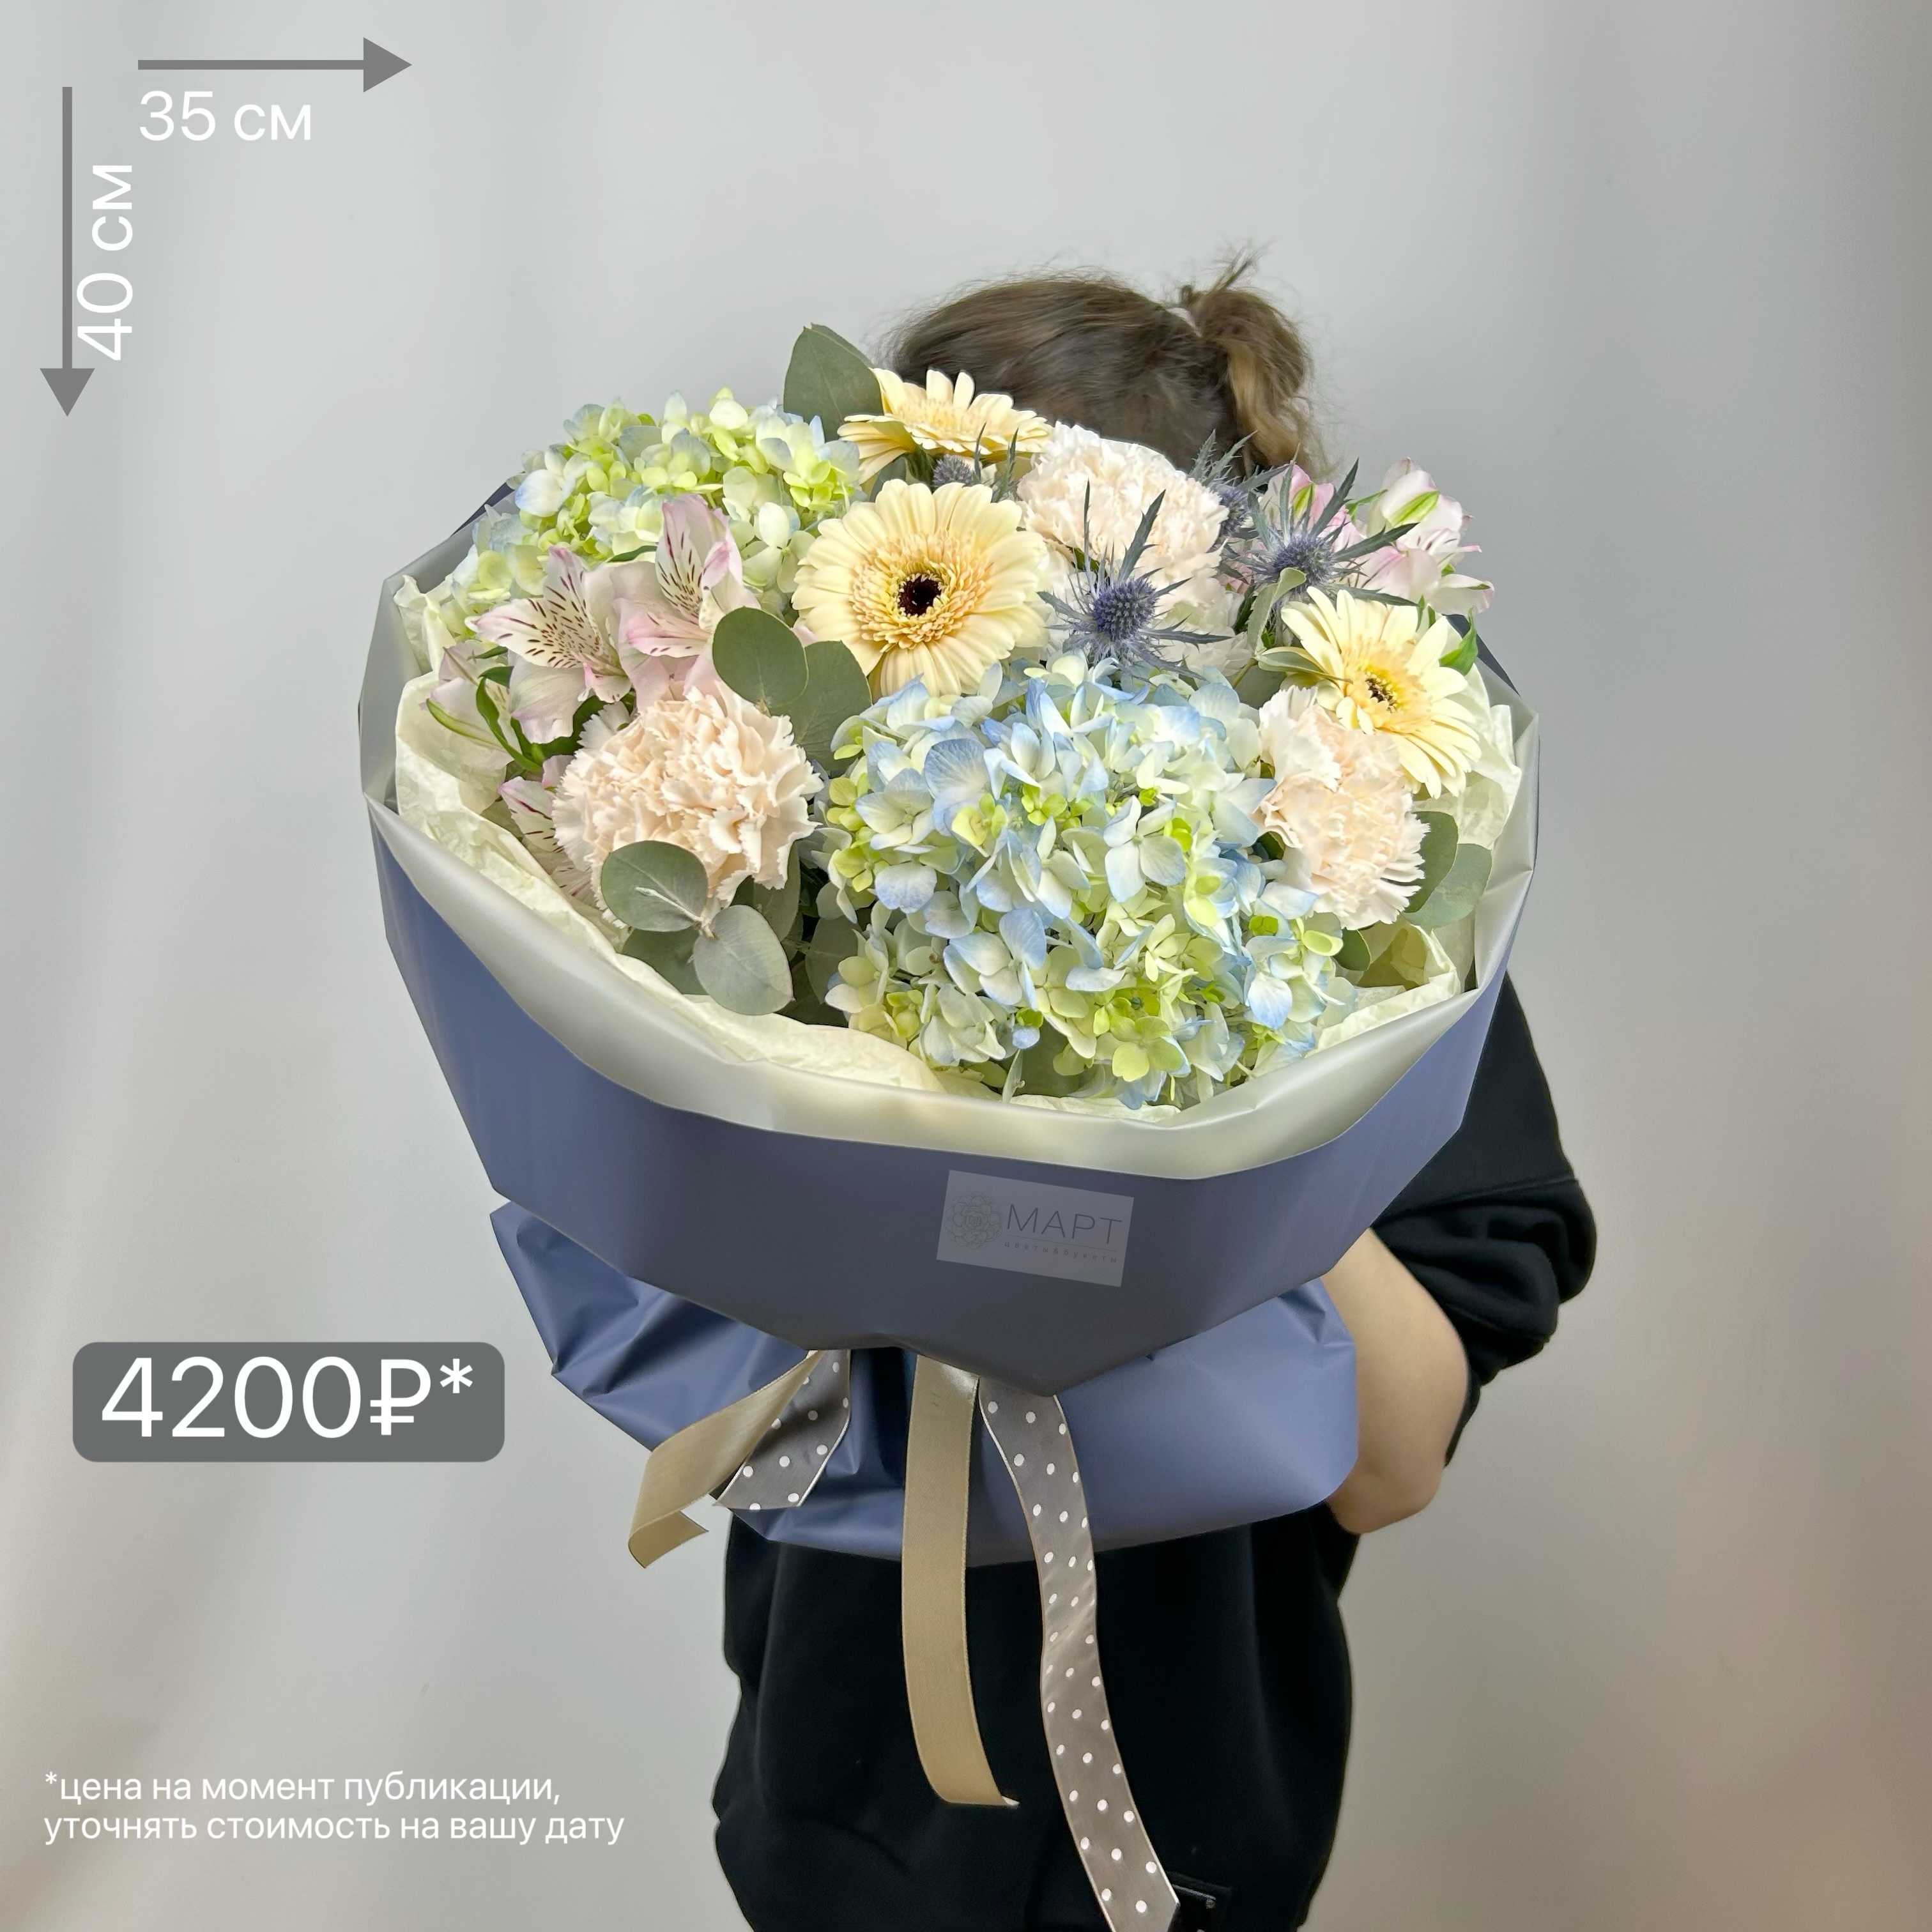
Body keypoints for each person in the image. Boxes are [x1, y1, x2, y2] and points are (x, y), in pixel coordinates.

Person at [710, 261, 1597, 1932]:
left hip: (1181, 1839)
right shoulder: (798, 895)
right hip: (839, 1806)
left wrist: (1219, 1077)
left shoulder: (1377, 949)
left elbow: (1392, 1458)